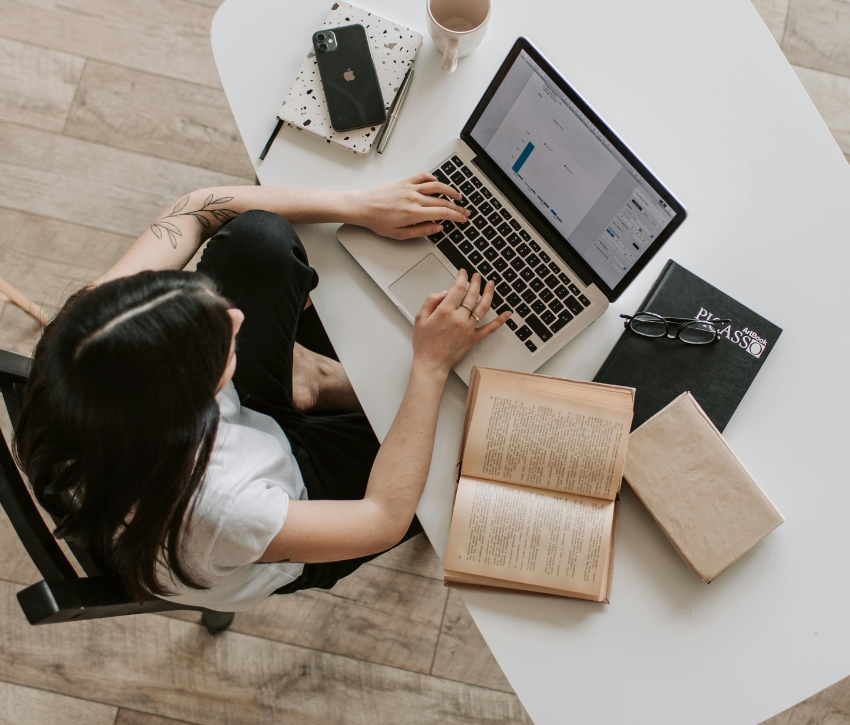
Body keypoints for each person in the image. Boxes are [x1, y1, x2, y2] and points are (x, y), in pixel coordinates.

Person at [13, 175, 510, 612]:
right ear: (192, 406)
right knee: (470, 445)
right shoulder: (225, 508)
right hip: (294, 506)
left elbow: (195, 209)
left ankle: (308, 383)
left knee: (256, 238)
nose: (235, 317)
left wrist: (358, 205)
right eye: (218, 345)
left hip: (216, 445)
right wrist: (428, 367)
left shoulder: (89, 337)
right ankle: (313, 384)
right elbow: (381, 518)